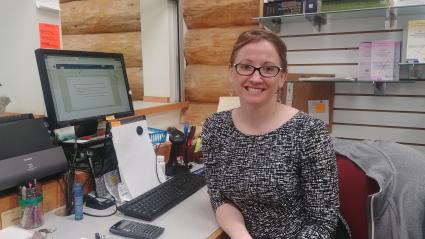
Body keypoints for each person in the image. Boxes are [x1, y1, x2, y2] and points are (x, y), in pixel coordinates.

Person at [201, 29, 340, 238]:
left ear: (282, 77)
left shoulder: (310, 133)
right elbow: (218, 196)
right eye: (246, 66)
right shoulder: (215, 128)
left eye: (268, 69)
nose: (256, 77)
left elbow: (322, 222)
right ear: (231, 71)